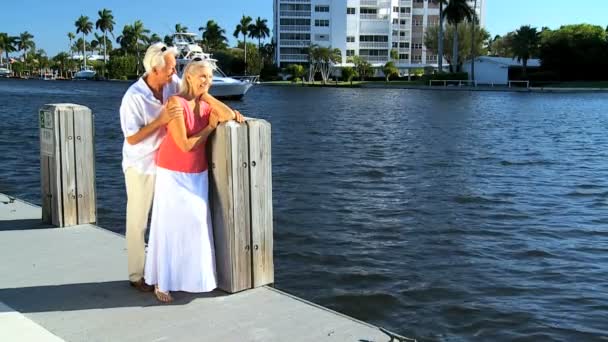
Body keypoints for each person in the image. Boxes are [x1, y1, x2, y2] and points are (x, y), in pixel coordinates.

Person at [144, 58, 244, 302]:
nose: (206, 81)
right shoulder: (175, 103)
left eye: (210, 78)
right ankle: (162, 281)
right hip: (173, 172)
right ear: (188, 76)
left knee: (196, 225)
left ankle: (189, 279)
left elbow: (228, 114)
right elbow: (186, 145)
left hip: (197, 173)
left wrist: (206, 96)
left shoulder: (204, 103)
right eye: (202, 77)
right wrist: (209, 128)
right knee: (168, 227)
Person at [120, 43, 181, 292]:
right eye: (170, 67)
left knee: (167, 220)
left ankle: (166, 271)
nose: (174, 71)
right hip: (141, 165)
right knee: (138, 221)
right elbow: (132, 138)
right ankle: (136, 275)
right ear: (155, 69)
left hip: (168, 162)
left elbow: (193, 95)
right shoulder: (132, 98)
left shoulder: (172, 83)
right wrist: (161, 121)